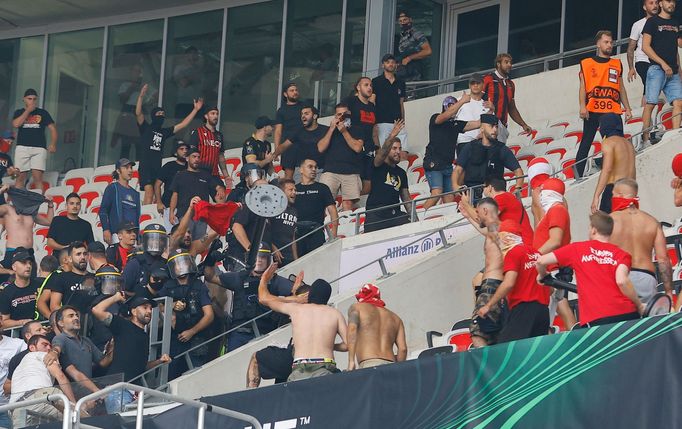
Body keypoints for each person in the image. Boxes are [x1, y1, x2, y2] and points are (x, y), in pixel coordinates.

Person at [537, 212, 644, 327]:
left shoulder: (577, 249)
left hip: (597, 319)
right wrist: (639, 305)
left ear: (593, 230)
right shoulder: (622, 254)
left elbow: (540, 261)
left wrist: (543, 275)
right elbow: (622, 281)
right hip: (627, 314)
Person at [258, 264, 347, 381]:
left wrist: (264, 279)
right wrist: (331, 346)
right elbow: (349, 345)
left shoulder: (295, 309)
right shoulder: (334, 313)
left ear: (310, 295)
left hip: (299, 370)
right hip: (325, 367)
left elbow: (263, 299)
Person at [203, 244, 293, 351]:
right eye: (256, 257)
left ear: (269, 259)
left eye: (263, 257)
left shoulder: (275, 281)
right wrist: (210, 259)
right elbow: (210, 276)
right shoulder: (239, 278)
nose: (259, 260)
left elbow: (300, 292)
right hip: (239, 333)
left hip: (266, 332)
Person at [91, 293, 171, 413]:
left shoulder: (144, 336)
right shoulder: (123, 324)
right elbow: (97, 310)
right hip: (117, 388)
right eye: (145, 307)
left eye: (150, 308)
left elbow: (141, 366)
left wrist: (159, 361)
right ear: (133, 311)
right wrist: (116, 297)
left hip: (135, 390)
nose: (149, 311)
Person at [476, 220, 550, 343]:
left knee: (508, 349)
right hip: (543, 310)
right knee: (535, 351)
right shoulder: (536, 253)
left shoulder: (513, 253)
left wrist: (488, 305)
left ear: (506, 237)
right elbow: (549, 287)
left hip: (524, 308)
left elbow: (508, 283)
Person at [135, 83, 203, 204]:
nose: (161, 116)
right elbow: (138, 114)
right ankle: (144, 220)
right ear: (153, 116)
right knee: (149, 192)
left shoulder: (164, 132)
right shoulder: (146, 128)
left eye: (163, 114)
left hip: (157, 167)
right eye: (158, 114)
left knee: (156, 196)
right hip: (145, 166)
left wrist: (195, 110)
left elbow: (183, 125)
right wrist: (141, 97)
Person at [577, 31, 632, 178]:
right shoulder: (587, 63)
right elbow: (583, 86)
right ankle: (578, 175)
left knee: (613, 138)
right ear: (598, 44)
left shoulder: (616, 64)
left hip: (612, 108)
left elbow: (621, 88)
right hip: (592, 108)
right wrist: (582, 106)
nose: (609, 45)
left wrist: (627, 107)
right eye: (606, 42)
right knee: (586, 142)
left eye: (611, 42)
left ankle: (611, 167)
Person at [609, 178, 672, 304]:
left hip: (620, 277)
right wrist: (668, 291)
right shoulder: (652, 222)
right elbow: (663, 259)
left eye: (613, 195)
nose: (612, 198)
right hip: (646, 278)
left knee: (625, 322)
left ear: (620, 195)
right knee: (647, 322)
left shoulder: (610, 221)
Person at [159, 251, 214, 378]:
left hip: (196, 337)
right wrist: (171, 305)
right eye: (177, 264)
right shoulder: (167, 286)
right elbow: (157, 306)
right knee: (170, 375)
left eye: (184, 262)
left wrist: (192, 332)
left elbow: (209, 315)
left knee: (196, 375)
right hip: (174, 338)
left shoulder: (198, 285)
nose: (181, 266)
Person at [459, 197, 506, 347]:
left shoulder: (496, 228)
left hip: (491, 286)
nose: (477, 215)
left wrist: (467, 205)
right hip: (494, 286)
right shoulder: (494, 230)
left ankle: (489, 369)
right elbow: (485, 230)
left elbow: (488, 228)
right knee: (492, 335)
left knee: (477, 330)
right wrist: (468, 217)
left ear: (485, 211)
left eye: (478, 212)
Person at [423, 95, 480, 209]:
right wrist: (462, 101)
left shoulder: (455, 124)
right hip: (433, 163)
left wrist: (490, 111)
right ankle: (417, 219)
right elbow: (447, 114)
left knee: (449, 200)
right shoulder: (436, 118)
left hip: (447, 165)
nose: (454, 108)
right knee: (436, 193)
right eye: (451, 106)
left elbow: (478, 123)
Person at [532, 178, 575, 328]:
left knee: (551, 310)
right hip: (550, 267)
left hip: (551, 269)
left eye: (543, 192)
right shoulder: (556, 210)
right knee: (549, 313)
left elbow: (555, 241)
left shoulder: (557, 210)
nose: (541, 196)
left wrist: (533, 256)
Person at [451, 114, 524, 201]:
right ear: (482, 128)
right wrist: (455, 186)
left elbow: (518, 170)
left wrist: (518, 188)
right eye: (491, 126)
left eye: (496, 127)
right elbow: (458, 170)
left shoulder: (502, 149)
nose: (495, 130)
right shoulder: (469, 147)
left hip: (495, 194)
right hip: (472, 195)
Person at [9, 335, 76, 428]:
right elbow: (61, 377)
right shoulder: (43, 355)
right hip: (41, 396)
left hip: (15, 408)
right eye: (44, 345)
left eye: (50, 346)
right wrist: (74, 405)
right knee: (77, 420)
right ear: (32, 347)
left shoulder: (20, 366)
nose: (49, 348)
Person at [642, 0, 682, 144]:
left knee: (679, 102)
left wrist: (679, 69)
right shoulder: (652, 22)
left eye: (673, 2)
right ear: (660, 4)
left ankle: (675, 136)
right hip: (657, 69)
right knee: (651, 104)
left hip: (674, 71)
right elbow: (645, 47)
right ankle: (645, 140)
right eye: (668, 1)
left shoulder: (676, 23)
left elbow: (679, 45)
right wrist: (663, 64)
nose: (672, 4)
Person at [51, 306, 112, 395]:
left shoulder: (86, 340)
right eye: (71, 316)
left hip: (89, 391)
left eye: (76, 315)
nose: (76, 318)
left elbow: (103, 362)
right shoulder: (60, 338)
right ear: (61, 323)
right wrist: (54, 352)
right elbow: (57, 347)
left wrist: (112, 348)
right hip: (73, 394)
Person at [317, 102, 365, 211]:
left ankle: (346, 226)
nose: (342, 117)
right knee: (325, 202)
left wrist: (344, 131)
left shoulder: (357, 129)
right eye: (339, 114)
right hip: (331, 170)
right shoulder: (328, 130)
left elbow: (357, 148)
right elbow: (320, 148)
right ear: (335, 116)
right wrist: (331, 129)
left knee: (348, 203)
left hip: (351, 171)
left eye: (345, 114)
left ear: (350, 114)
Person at [0, 185, 54, 281]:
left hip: (29, 253)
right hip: (13, 252)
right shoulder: (7, 208)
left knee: (31, 283)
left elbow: (49, 222)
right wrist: (1, 191)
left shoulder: (31, 212)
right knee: (8, 283)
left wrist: (50, 204)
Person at [364, 124, 412, 233]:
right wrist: (391, 136)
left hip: (394, 213)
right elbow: (381, 154)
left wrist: (416, 221)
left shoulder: (402, 173)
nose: (398, 152)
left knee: (408, 223)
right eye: (394, 148)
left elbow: (407, 199)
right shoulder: (377, 165)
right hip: (376, 213)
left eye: (400, 149)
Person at [346, 284, 407, 370]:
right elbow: (403, 349)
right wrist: (398, 369)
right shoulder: (396, 318)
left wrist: (351, 361)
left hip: (369, 364)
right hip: (391, 365)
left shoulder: (356, 308)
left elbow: (352, 330)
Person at [459, 178, 534, 246]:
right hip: (518, 243)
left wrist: (466, 204)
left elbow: (480, 218)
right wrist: (468, 216)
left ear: (490, 187)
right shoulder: (506, 197)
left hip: (522, 243)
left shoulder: (502, 197)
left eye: (484, 187)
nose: (483, 190)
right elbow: (488, 230)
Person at [11, 88, 57, 192]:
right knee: (19, 177)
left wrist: (53, 144)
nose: (32, 101)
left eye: (34, 99)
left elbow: (53, 128)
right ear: (24, 99)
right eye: (29, 98)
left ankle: (40, 204)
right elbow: (16, 124)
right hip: (22, 147)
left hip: (39, 148)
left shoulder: (43, 113)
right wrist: (28, 111)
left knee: (38, 178)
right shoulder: (19, 112)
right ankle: (19, 205)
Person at [590, 114, 637, 213]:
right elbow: (633, 171)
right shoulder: (629, 144)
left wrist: (596, 195)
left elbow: (607, 169)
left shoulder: (609, 142)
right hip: (629, 190)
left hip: (614, 190)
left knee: (608, 226)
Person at [168, 147, 225, 226]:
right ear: (187, 158)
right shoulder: (180, 175)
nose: (197, 159)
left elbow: (217, 187)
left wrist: (220, 189)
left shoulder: (205, 175)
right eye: (194, 156)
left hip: (202, 216)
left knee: (200, 238)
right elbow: (175, 195)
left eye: (198, 157)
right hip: (184, 214)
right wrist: (171, 213)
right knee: (186, 238)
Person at [482, 54, 532, 143]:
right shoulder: (488, 79)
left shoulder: (511, 84)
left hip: (502, 127)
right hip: (488, 124)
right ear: (498, 64)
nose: (509, 65)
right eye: (506, 62)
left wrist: (523, 124)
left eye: (510, 62)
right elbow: (477, 99)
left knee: (498, 155)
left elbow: (512, 108)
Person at [627, 0, 660, 131]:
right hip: (642, 60)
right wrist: (631, 68)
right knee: (650, 84)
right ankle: (647, 126)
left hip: (657, 61)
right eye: (651, 3)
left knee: (649, 90)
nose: (655, 5)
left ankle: (646, 125)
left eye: (656, 2)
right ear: (644, 7)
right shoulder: (638, 24)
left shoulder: (663, 22)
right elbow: (630, 48)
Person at [295, 159, 338, 256]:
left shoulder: (322, 188)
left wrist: (334, 233)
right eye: (310, 167)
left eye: (315, 167)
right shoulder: (294, 189)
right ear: (301, 170)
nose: (314, 169)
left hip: (316, 230)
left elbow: (332, 210)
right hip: (296, 231)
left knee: (316, 260)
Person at [372, 54, 409, 160]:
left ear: (396, 65)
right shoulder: (376, 81)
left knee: (403, 152)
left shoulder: (401, 82)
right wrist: (373, 122)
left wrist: (403, 122)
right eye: (388, 62)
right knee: (384, 153)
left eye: (393, 62)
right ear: (383, 65)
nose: (390, 64)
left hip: (398, 122)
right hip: (382, 121)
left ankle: (402, 175)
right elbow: (372, 102)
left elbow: (401, 103)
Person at [346, 77, 377, 194]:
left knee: (368, 183)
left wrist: (377, 147)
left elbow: (374, 129)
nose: (369, 87)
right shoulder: (350, 101)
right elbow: (345, 123)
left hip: (369, 147)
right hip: (354, 147)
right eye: (366, 85)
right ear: (358, 87)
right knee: (355, 183)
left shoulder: (372, 106)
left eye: (371, 85)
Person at [99, 158, 141, 245]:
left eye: (131, 168)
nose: (130, 170)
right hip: (118, 235)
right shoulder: (112, 188)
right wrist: (106, 229)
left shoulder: (135, 193)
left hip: (132, 236)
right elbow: (103, 210)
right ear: (118, 170)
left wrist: (137, 235)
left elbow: (137, 217)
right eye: (126, 167)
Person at [3, 321, 48, 398]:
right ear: (28, 335)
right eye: (39, 330)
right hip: (27, 400)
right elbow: (6, 388)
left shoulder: (52, 350)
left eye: (43, 329)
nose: (44, 331)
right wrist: (28, 381)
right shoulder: (17, 359)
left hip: (51, 395)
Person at [122, 223, 168, 294]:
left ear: (164, 242)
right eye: (152, 239)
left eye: (160, 239)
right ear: (145, 241)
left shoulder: (167, 263)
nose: (155, 242)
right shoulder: (135, 263)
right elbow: (124, 290)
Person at [189, 106, 229, 186]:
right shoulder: (197, 132)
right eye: (212, 113)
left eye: (217, 114)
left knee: (221, 194)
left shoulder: (219, 135)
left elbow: (221, 157)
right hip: (199, 172)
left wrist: (226, 176)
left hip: (214, 173)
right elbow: (191, 153)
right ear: (206, 116)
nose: (215, 116)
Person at [0, 248, 40, 328]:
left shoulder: (39, 285)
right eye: (24, 263)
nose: (28, 266)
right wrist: (23, 322)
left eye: (30, 263)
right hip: (18, 335)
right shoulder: (6, 292)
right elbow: (4, 322)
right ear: (14, 267)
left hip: (41, 329)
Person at [280, 106, 328, 173]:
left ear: (314, 116)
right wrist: (274, 155)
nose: (303, 116)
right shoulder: (298, 131)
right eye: (302, 114)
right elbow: (285, 145)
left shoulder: (326, 130)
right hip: (301, 170)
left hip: (319, 169)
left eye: (306, 114)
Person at [47, 242, 91, 313]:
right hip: (74, 322)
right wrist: (71, 316)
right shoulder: (61, 278)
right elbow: (54, 306)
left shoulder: (95, 277)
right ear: (70, 259)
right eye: (78, 254)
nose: (82, 257)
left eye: (85, 254)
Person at [155, 140, 189, 227]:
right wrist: (159, 202)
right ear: (175, 152)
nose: (185, 151)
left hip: (185, 207)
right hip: (168, 205)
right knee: (171, 234)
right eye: (181, 149)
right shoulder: (169, 166)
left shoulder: (190, 167)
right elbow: (157, 184)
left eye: (186, 149)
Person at [274, 83, 304, 180]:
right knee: (288, 178)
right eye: (292, 90)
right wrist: (277, 150)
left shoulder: (305, 106)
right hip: (288, 147)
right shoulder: (282, 110)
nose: (295, 92)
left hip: (304, 144)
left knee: (305, 175)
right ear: (285, 94)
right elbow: (278, 131)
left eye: (296, 90)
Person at [456, 74, 493, 149]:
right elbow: (450, 117)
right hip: (463, 141)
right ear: (469, 85)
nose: (475, 85)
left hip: (481, 142)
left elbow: (491, 126)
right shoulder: (460, 100)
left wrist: (492, 110)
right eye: (473, 83)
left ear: (483, 85)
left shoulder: (487, 104)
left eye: (478, 83)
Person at [396, 11, 432, 82]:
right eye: (400, 21)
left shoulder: (416, 33)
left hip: (416, 72)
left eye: (405, 20)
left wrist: (409, 58)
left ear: (410, 20)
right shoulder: (402, 37)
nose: (403, 23)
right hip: (405, 73)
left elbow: (428, 51)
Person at [271, 179, 298, 266]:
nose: (294, 192)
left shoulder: (294, 211)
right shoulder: (273, 208)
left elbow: (293, 237)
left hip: (289, 256)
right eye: (290, 190)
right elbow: (265, 231)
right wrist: (273, 248)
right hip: (273, 256)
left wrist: (296, 259)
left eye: (295, 190)